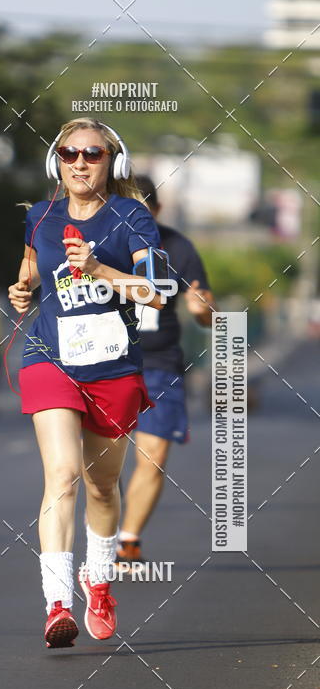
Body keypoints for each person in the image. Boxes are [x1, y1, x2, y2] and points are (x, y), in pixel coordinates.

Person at [8, 118, 164, 648]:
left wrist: (100, 269)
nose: (79, 162)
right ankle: (57, 605)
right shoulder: (40, 217)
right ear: (56, 161)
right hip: (49, 358)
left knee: (101, 487)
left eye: (91, 153)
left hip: (113, 367)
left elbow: (158, 292)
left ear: (111, 162)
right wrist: (22, 291)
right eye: (68, 152)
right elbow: (30, 268)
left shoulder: (132, 218)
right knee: (63, 475)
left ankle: (98, 582)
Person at [115, 174, 217, 566]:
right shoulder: (100, 247)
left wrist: (202, 309)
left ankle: (129, 539)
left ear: (157, 212)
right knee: (104, 463)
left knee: (153, 455)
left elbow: (207, 313)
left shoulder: (178, 247)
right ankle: (105, 535)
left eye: (142, 212)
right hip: (107, 364)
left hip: (159, 365)